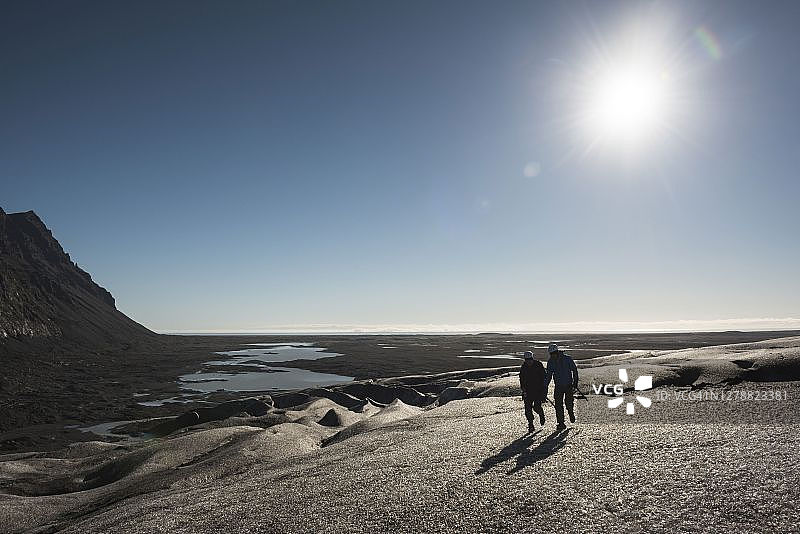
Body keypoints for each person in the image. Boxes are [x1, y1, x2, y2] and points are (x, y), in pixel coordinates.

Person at [543, 343, 579, 431]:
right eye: (551, 354)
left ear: (557, 351)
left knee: (568, 402)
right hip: (558, 386)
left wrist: (575, 382)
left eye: (554, 353)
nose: (553, 355)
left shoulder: (567, 359)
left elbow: (574, 370)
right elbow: (549, 375)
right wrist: (545, 387)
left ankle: (570, 412)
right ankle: (561, 423)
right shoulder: (550, 362)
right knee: (558, 405)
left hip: (568, 385)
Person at [519, 350, 546, 432]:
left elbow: (544, 377)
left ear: (532, 358)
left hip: (538, 391)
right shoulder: (523, 367)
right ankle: (531, 424)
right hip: (528, 391)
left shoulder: (538, 365)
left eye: (530, 359)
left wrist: (543, 390)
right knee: (527, 409)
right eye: (527, 360)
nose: (528, 361)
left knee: (537, 407)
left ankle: (541, 415)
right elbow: (522, 379)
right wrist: (523, 389)